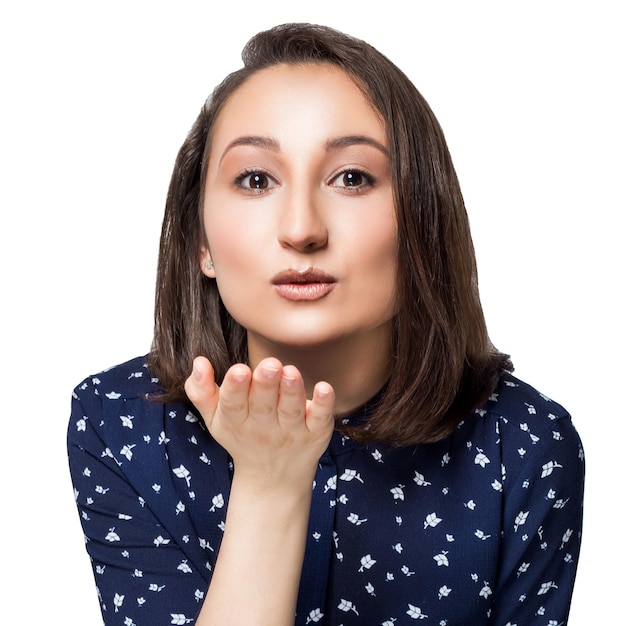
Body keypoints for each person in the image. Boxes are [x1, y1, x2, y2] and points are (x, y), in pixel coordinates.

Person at [67, 23, 584, 626]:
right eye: (256, 179)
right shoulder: (122, 422)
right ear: (199, 243)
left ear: (423, 220)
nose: (302, 228)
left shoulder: (522, 445)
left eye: (352, 178)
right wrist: (268, 485)